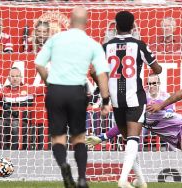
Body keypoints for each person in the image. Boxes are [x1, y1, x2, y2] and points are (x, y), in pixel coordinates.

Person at [35, 6, 110, 188]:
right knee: (79, 138)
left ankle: (63, 164)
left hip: (56, 91)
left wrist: (48, 83)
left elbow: (39, 64)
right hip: (77, 92)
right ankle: (82, 178)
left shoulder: (56, 39)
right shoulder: (92, 44)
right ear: (86, 22)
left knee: (58, 138)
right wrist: (106, 101)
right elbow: (101, 74)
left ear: (69, 20)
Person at [102, 11, 162, 188]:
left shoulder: (105, 46)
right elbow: (157, 69)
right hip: (135, 97)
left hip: (115, 99)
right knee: (133, 139)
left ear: (116, 27)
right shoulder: (139, 45)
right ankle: (122, 179)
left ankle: (141, 181)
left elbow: (93, 71)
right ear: (133, 26)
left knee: (129, 141)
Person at [87, 74, 181, 150]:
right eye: (149, 84)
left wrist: (168, 109)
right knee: (135, 134)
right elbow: (123, 125)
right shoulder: (142, 100)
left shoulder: (163, 97)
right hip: (172, 137)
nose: (151, 86)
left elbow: (168, 104)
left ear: (159, 83)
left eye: (154, 83)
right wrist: (101, 138)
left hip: (179, 128)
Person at [0, 67, 44, 150]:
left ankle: (14, 151)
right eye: (12, 76)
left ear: (21, 78)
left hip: (22, 121)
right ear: (9, 78)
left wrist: (48, 77)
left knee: (15, 124)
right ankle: (3, 150)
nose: (15, 78)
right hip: (7, 119)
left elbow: (45, 89)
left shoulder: (29, 88)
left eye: (17, 76)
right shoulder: (4, 89)